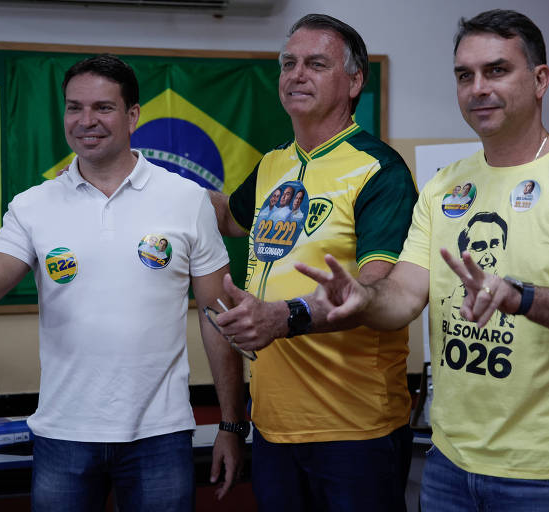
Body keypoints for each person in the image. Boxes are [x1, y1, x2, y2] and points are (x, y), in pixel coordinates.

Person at [295, 9, 549, 512]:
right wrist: (362, 298)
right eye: (465, 75)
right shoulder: (445, 185)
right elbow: (402, 297)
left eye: (497, 70)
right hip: (450, 467)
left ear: (540, 79)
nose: (478, 87)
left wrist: (521, 297)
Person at [0, 54, 246, 512]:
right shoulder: (32, 205)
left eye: (103, 107)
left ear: (133, 115)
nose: (86, 121)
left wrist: (232, 426)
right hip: (63, 436)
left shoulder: (186, 198)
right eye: (74, 107)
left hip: (160, 435)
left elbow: (221, 320)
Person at [208, 13, 418, 512]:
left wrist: (283, 317)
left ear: (354, 81)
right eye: (288, 63)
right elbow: (226, 217)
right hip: (274, 428)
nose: (296, 74)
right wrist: (141, 180)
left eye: (316, 64)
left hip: (354, 432)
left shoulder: (379, 170)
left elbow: (376, 290)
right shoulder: (274, 164)